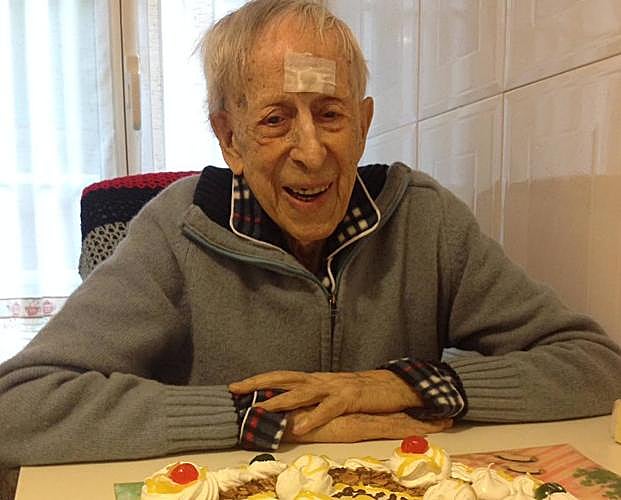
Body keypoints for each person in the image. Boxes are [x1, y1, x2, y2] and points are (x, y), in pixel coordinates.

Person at [0, 0, 620, 470]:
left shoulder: (425, 219)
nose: (312, 150)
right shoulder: (175, 231)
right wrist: (264, 417)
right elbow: (20, 404)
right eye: (275, 119)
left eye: (330, 114)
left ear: (364, 123)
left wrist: (396, 386)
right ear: (229, 139)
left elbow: (594, 365)